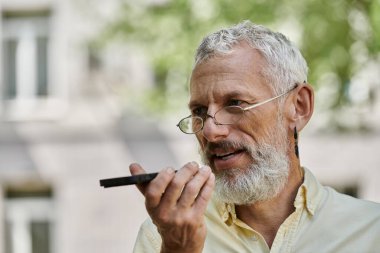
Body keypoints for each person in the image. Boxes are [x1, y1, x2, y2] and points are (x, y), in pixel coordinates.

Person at [129, 20, 380, 253]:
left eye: (235, 103)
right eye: (199, 111)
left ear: (299, 106)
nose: (210, 131)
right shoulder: (163, 237)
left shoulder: (371, 231)